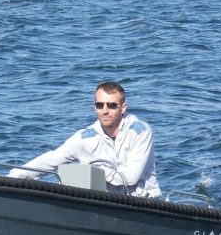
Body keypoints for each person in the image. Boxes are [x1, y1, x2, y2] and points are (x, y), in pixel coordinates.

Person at [8, 81, 161, 197]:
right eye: (100, 105)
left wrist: (90, 170)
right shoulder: (85, 137)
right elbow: (50, 160)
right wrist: (11, 178)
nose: (105, 111)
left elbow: (130, 177)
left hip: (144, 203)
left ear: (123, 108)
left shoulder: (140, 132)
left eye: (112, 105)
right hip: (106, 204)